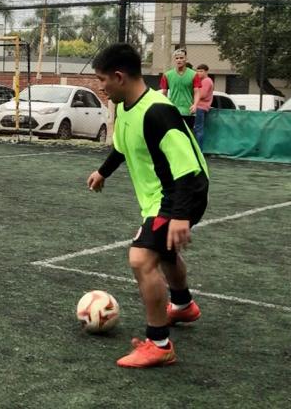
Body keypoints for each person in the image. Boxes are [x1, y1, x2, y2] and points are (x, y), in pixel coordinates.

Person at [86, 43, 209, 368]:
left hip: (181, 192)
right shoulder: (127, 107)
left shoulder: (158, 111)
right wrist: (103, 172)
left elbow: (187, 166)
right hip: (164, 196)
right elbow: (123, 147)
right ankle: (182, 306)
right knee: (164, 252)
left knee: (141, 258)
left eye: (102, 80)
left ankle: (159, 344)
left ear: (119, 77)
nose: (101, 87)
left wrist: (180, 214)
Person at [159, 49, 202, 128]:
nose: (179, 60)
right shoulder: (167, 75)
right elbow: (164, 93)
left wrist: (195, 105)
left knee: (187, 134)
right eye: (177, 58)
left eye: (181, 58)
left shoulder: (194, 74)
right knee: (174, 134)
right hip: (173, 111)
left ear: (186, 59)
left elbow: (197, 92)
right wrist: (165, 106)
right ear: (174, 60)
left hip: (188, 111)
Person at [191, 63, 214, 148]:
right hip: (201, 107)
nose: (199, 73)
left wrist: (193, 94)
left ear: (206, 72)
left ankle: (198, 149)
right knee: (197, 129)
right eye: (197, 71)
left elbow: (202, 94)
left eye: (201, 71)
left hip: (200, 107)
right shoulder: (204, 80)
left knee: (198, 129)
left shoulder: (206, 81)